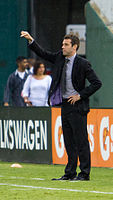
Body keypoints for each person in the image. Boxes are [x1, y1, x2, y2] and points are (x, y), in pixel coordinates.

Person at [20, 31, 102, 181]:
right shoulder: (59, 57)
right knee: (68, 140)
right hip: (64, 105)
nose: (62, 47)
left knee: (81, 140)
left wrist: (80, 95)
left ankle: (84, 173)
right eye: (62, 44)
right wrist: (31, 40)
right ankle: (70, 173)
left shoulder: (83, 64)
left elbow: (97, 83)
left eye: (65, 45)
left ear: (74, 47)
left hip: (77, 106)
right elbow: (43, 53)